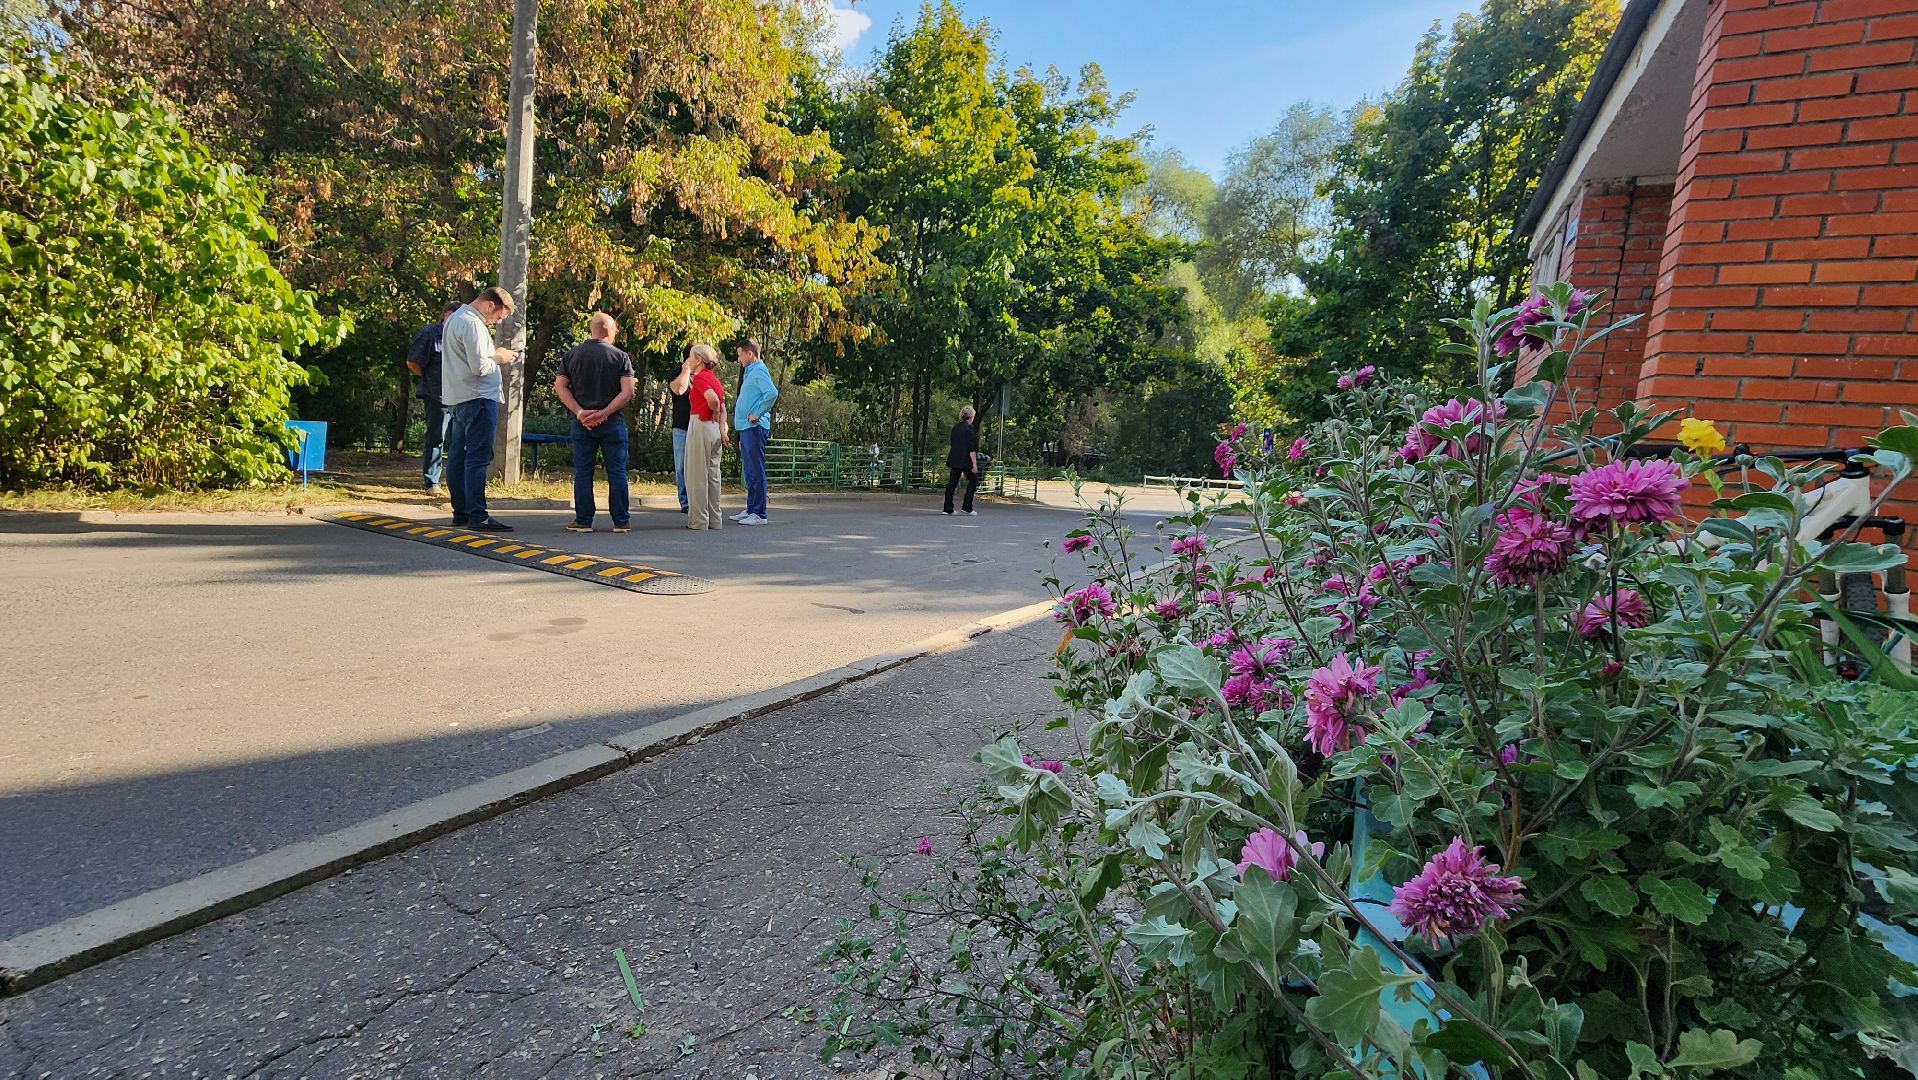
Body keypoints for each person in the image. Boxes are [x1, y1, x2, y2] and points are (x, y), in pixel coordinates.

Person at [441, 286, 519, 532]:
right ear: (489, 305)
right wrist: (500, 357)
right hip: (477, 398)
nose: (497, 321)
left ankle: (461, 511)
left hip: (458, 397)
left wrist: (491, 356)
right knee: (477, 458)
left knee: (457, 457)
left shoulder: (454, 318)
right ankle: (478, 515)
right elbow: (480, 367)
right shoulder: (473, 324)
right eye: (499, 316)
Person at [554, 313, 637, 533]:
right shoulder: (620, 356)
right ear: (610, 331)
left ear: (592, 329)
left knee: (583, 471)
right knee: (617, 471)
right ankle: (621, 521)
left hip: (582, 423)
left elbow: (560, 386)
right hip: (612, 423)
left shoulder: (572, 355)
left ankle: (583, 520)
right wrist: (605, 413)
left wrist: (580, 412)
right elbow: (628, 391)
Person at [406, 302, 459, 494]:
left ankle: (456, 483)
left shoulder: (461, 335)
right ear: (444, 317)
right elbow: (413, 362)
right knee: (436, 437)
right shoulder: (429, 334)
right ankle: (432, 482)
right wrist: (431, 379)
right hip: (437, 394)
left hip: (460, 395)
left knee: (459, 440)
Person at [730, 338, 779, 526]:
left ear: (750, 353)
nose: (739, 359)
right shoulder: (751, 371)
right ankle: (751, 509)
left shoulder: (758, 370)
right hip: (747, 427)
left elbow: (772, 393)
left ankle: (759, 514)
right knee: (750, 471)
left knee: (756, 469)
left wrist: (757, 413)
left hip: (754, 427)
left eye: (740, 354)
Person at [683, 344, 729, 531]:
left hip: (700, 423)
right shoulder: (715, 380)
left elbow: (714, 401)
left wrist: (714, 410)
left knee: (696, 475)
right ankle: (715, 519)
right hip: (714, 428)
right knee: (713, 476)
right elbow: (723, 407)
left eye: (692, 357)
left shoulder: (700, 378)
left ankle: (699, 521)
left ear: (700, 360)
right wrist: (721, 426)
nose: (689, 361)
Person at [944, 404, 981, 516]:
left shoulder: (955, 427)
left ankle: (947, 508)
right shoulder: (970, 429)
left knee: (952, 483)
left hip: (954, 458)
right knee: (973, 481)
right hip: (965, 460)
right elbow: (971, 449)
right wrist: (974, 465)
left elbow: (953, 443)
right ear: (971, 416)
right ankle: (967, 507)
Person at [668, 351, 693, 514]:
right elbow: (679, 390)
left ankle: (697, 500)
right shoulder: (675, 373)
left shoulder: (704, 374)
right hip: (681, 425)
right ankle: (685, 502)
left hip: (700, 425)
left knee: (697, 466)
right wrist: (686, 370)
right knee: (681, 466)